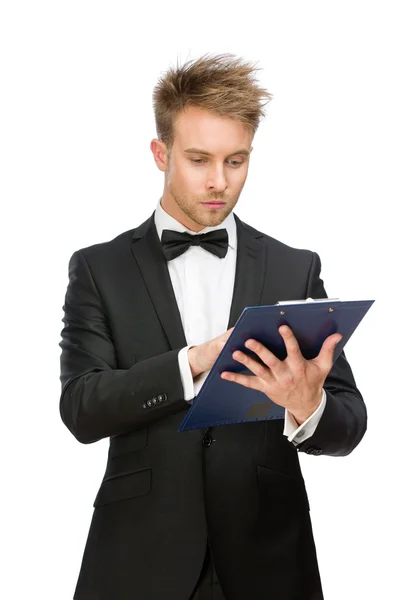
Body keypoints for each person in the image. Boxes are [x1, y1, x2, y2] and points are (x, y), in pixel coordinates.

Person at [59, 53, 367, 600]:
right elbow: (82, 408)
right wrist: (193, 361)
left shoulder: (295, 268)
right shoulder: (98, 268)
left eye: (236, 160)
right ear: (161, 153)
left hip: (269, 560)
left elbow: (349, 424)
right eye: (199, 159)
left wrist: (306, 404)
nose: (219, 182)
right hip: (137, 561)